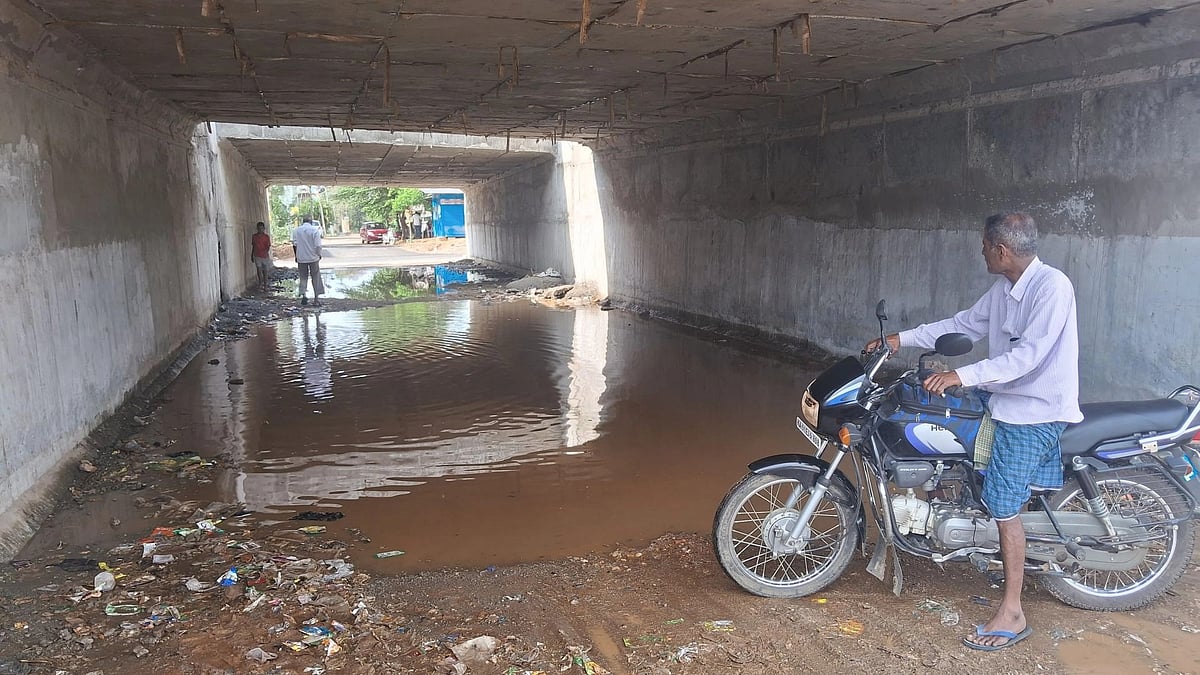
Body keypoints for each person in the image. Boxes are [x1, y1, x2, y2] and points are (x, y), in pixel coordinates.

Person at [866, 212, 1082, 651]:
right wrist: (899, 341)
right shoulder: (1005, 290)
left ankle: (1013, 611)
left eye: (984, 246)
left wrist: (962, 376)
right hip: (1004, 401)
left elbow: (1028, 359)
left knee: (1003, 502)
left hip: (1034, 411)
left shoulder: (1051, 288)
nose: (980, 252)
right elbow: (963, 324)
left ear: (1001, 250)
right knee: (951, 436)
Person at [292, 216, 324, 306]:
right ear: (311, 222)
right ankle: (316, 299)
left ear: (303, 222)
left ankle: (304, 296)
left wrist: (296, 256)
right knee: (316, 277)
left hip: (301, 258)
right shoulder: (314, 231)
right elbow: (318, 245)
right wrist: (319, 254)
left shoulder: (296, 231)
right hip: (313, 258)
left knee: (303, 277)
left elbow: (294, 245)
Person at [250, 222, 272, 292]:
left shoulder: (266, 237)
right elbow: (253, 246)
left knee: (265, 271)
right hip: (257, 256)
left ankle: (265, 285)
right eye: (259, 228)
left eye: (262, 228)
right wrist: (252, 255)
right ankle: (260, 284)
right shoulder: (254, 237)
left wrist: (265, 252)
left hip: (264, 256)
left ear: (264, 229)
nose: (260, 230)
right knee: (259, 271)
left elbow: (268, 246)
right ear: (257, 229)